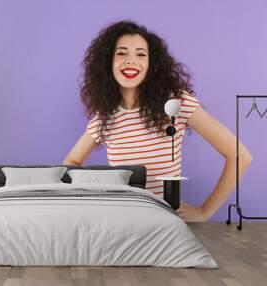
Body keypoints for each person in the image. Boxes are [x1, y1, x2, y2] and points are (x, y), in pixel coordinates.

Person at [63, 20, 253, 222]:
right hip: (122, 222)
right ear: (107, 62)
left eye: (140, 54)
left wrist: (204, 211)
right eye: (121, 53)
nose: (131, 60)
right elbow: (71, 163)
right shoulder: (104, 119)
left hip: (165, 223)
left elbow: (240, 156)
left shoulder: (176, 103)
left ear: (151, 65)